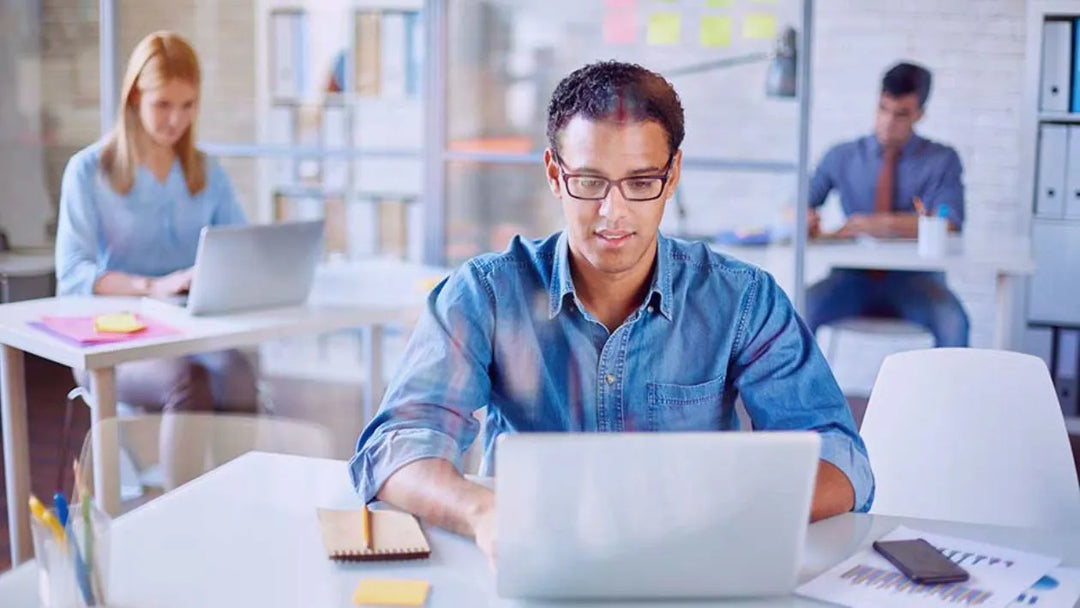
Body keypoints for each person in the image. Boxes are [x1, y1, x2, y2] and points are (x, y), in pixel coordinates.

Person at [349, 61, 874, 566]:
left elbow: (840, 458)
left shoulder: (742, 299)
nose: (613, 212)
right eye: (591, 181)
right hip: (531, 558)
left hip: (691, 564)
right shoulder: (486, 292)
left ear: (672, 177)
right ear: (555, 175)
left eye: (641, 182)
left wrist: (720, 515)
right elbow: (396, 448)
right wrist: (485, 513)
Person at [55, 31, 258, 485]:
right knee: (188, 381)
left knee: (241, 374)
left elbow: (243, 249)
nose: (176, 120)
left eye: (187, 106)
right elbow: (73, 275)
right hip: (113, 340)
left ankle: (239, 498)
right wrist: (154, 285)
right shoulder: (90, 171)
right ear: (134, 98)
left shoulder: (206, 172)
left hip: (191, 329)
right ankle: (176, 515)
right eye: (163, 105)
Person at [805, 61, 969, 347]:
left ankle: (944, 393)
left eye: (901, 114)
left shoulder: (942, 160)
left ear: (920, 114)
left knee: (954, 321)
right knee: (796, 311)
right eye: (883, 108)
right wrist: (801, 217)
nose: (888, 122)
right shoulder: (841, 155)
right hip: (850, 279)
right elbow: (796, 204)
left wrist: (869, 225)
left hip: (916, 281)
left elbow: (950, 224)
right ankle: (800, 394)